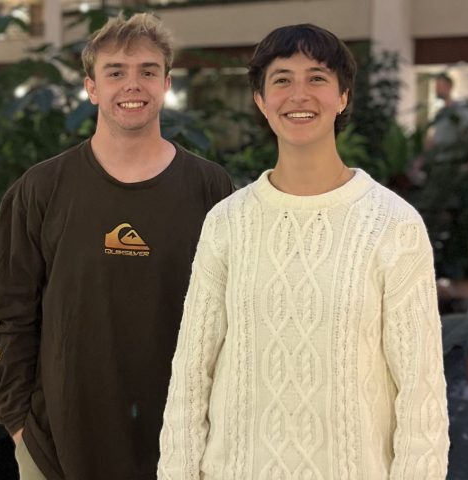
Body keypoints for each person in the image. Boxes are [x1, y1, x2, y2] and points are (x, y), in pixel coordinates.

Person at [158, 24, 449, 479]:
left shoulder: (393, 224)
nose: (299, 94)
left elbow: (421, 391)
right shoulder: (227, 222)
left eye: (317, 78)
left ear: (343, 97)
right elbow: (192, 373)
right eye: (281, 80)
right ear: (260, 100)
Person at [0, 13, 234, 480]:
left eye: (147, 71)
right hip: (55, 444)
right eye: (115, 72)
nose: (132, 85)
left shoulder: (210, 187)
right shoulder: (41, 189)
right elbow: (9, 310)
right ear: (91, 87)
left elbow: (230, 316)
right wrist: (17, 422)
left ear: (166, 83)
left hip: (181, 446)